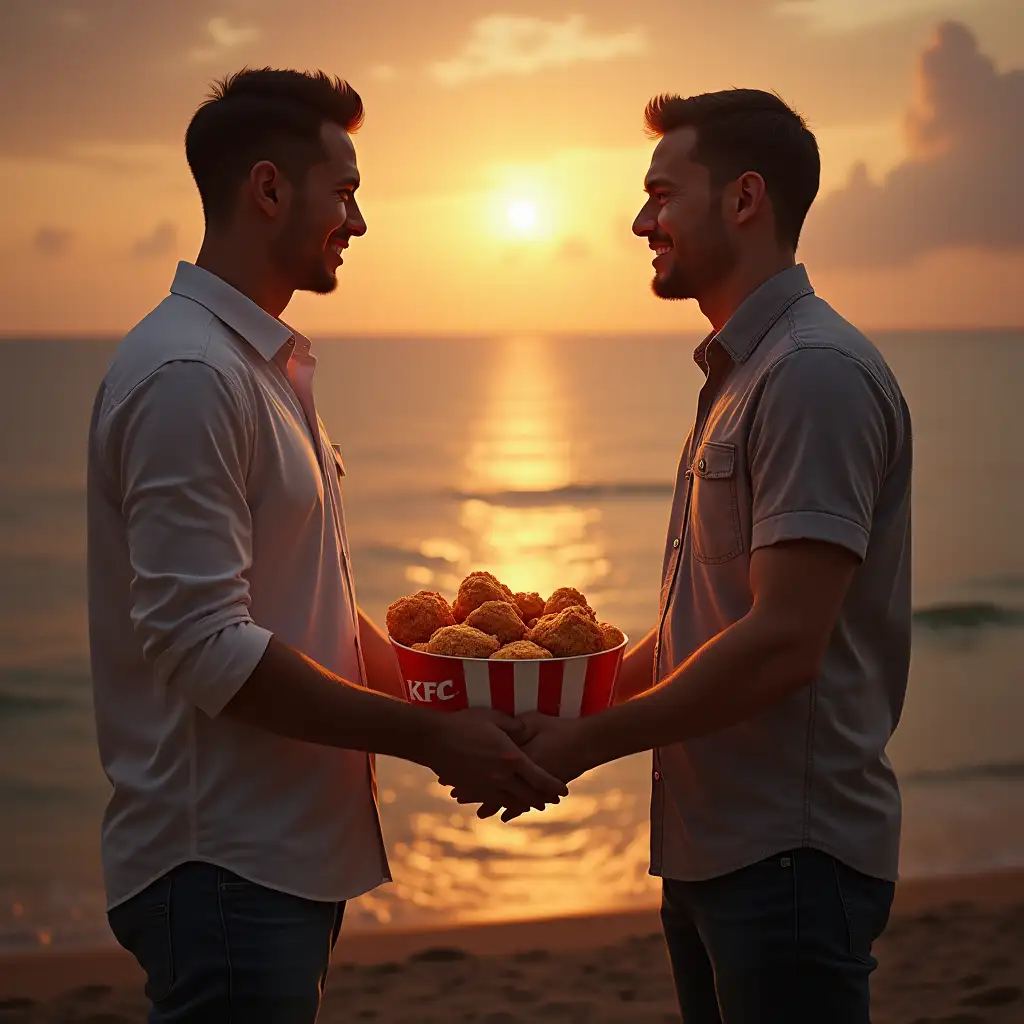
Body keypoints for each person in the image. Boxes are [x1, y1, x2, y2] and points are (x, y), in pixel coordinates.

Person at [86, 67, 565, 1022]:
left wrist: (463, 701)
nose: (359, 220)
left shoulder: (254, 367)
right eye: (344, 191)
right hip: (221, 861)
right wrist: (433, 735)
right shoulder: (190, 375)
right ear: (269, 189)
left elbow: (297, 612)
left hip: (275, 860)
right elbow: (200, 643)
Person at [454, 89, 913, 1023]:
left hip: (788, 853)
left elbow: (785, 642)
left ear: (744, 198)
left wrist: (581, 744)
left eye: (662, 194)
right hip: (718, 849)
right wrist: (545, 700)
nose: (639, 221)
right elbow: (709, 629)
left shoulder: (812, 375)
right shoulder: (743, 379)